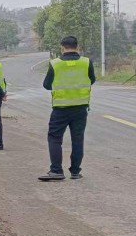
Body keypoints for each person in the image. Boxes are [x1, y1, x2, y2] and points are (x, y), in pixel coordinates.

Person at [38, 35, 96, 181]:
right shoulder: (87, 62)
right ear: (78, 47)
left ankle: (56, 170)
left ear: (62, 48)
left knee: (55, 138)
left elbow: (46, 85)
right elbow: (92, 80)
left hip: (61, 108)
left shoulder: (55, 64)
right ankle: (75, 172)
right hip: (80, 108)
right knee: (78, 139)